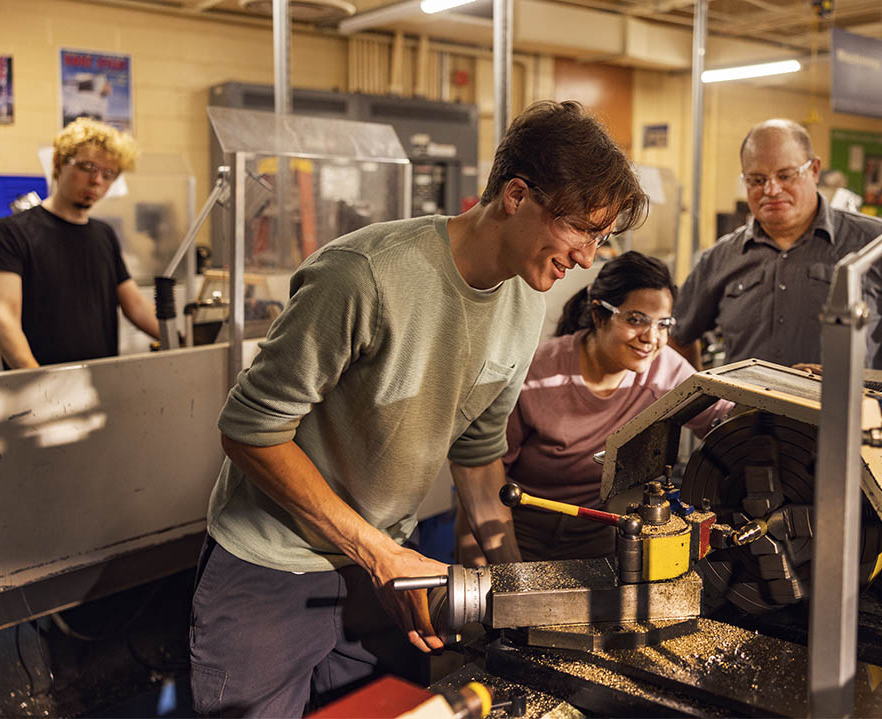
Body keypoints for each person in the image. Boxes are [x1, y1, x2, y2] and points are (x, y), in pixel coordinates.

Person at [189, 100, 647, 717]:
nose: (588, 258)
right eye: (582, 231)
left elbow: (480, 461)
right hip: (270, 570)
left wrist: (516, 602)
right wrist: (378, 553)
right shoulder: (365, 275)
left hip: (382, 576)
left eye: (600, 238)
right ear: (516, 196)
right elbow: (250, 431)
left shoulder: (523, 308)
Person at [457, 252, 733, 564]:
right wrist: (485, 562)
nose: (652, 338)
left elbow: (726, 421)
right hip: (517, 533)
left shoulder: (666, 371)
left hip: (601, 537)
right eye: (635, 319)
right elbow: (481, 472)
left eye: (664, 324)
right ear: (599, 314)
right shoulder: (536, 374)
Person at [670, 119, 882, 371]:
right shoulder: (721, 257)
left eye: (785, 175)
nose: (771, 190)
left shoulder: (876, 244)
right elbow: (677, 336)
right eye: (756, 180)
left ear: (814, 170)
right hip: (747, 437)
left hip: (853, 435)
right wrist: (705, 413)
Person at [0, 118, 159, 369]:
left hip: (98, 384)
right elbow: (2, 316)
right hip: (35, 387)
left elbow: (137, 306)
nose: (97, 181)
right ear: (58, 163)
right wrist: (37, 380)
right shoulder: (10, 232)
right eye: (88, 167)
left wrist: (185, 342)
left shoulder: (104, 235)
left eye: (109, 174)